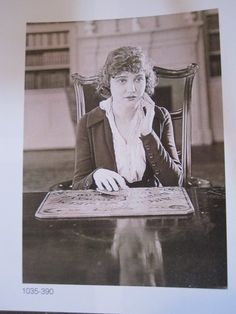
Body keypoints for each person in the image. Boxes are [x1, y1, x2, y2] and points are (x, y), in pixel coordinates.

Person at [72, 46, 182, 191]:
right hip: (108, 204)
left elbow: (176, 182)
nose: (132, 89)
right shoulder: (88, 122)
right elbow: (78, 185)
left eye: (138, 79)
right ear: (108, 83)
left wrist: (148, 134)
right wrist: (95, 176)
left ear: (146, 80)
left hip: (151, 203)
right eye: (122, 80)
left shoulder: (160, 117)